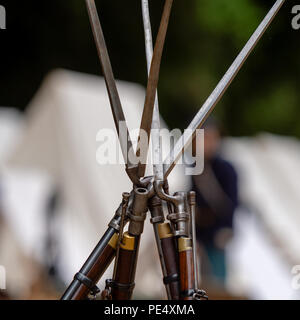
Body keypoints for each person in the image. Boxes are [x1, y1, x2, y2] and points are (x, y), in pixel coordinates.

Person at [191, 118, 238, 287]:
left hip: (218, 234)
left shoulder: (226, 169)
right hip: (200, 235)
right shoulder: (196, 167)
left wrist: (226, 228)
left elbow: (231, 203)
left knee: (218, 282)